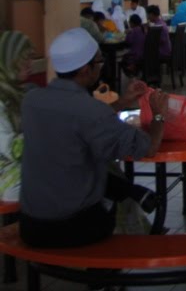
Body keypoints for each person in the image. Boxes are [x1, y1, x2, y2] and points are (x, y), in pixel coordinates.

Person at [19, 27, 168, 248]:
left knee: (100, 174)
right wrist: (159, 114)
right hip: (73, 227)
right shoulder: (91, 111)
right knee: (117, 190)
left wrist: (122, 102)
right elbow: (149, 148)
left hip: (31, 225)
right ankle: (129, 256)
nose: (101, 67)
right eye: (99, 62)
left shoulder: (31, 100)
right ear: (85, 69)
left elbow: (78, 119)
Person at [0, 31, 34, 201]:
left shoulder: (17, 91)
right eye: (24, 58)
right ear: (10, 60)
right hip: (6, 173)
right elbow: (9, 147)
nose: (30, 64)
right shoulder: (2, 98)